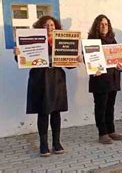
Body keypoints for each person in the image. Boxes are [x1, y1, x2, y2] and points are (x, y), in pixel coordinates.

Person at [13, 16, 81, 157]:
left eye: (52, 25)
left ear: (56, 27)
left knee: (56, 112)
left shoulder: (62, 41)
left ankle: (56, 143)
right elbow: (24, 58)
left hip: (57, 79)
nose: (49, 27)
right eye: (46, 25)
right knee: (43, 112)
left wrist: (76, 59)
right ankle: (43, 144)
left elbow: (69, 65)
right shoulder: (34, 40)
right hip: (40, 79)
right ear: (40, 27)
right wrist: (18, 54)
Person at [88, 15, 122, 144]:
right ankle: (102, 133)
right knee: (101, 107)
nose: (104, 26)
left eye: (106, 24)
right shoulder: (92, 40)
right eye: (101, 24)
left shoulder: (112, 39)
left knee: (110, 106)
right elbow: (90, 59)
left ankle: (111, 130)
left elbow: (119, 58)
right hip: (100, 80)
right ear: (97, 26)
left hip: (113, 79)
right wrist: (93, 69)